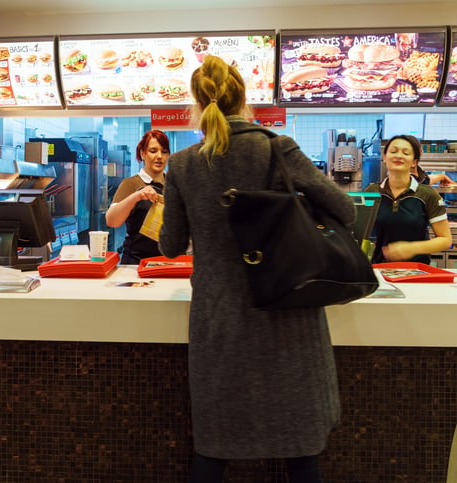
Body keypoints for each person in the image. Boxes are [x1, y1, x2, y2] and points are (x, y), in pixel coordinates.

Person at [158, 55, 357, 483]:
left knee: (214, 448)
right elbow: (345, 210)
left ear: (196, 103)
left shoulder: (183, 164)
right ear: (244, 98)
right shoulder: (277, 148)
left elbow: (171, 245)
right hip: (288, 315)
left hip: (219, 321)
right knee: (301, 452)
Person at [366, 135, 452, 265]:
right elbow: (360, 231)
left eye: (406, 153)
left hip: (417, 271)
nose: (399, 156)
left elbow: (445, 239)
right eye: (393, 151)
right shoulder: (372, 192)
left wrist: (411, 248)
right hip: (380, 269)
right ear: (384, 157)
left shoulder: (428, 194)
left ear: (414, 162)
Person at [105, 129, 170, 264]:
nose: (159, 156)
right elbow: (112, 220)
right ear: (143, 153)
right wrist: (137, 196)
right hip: (136, 263)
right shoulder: (131, 184)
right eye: (153, 151)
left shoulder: (175, 184)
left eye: (164, 152)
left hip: (170, 261)